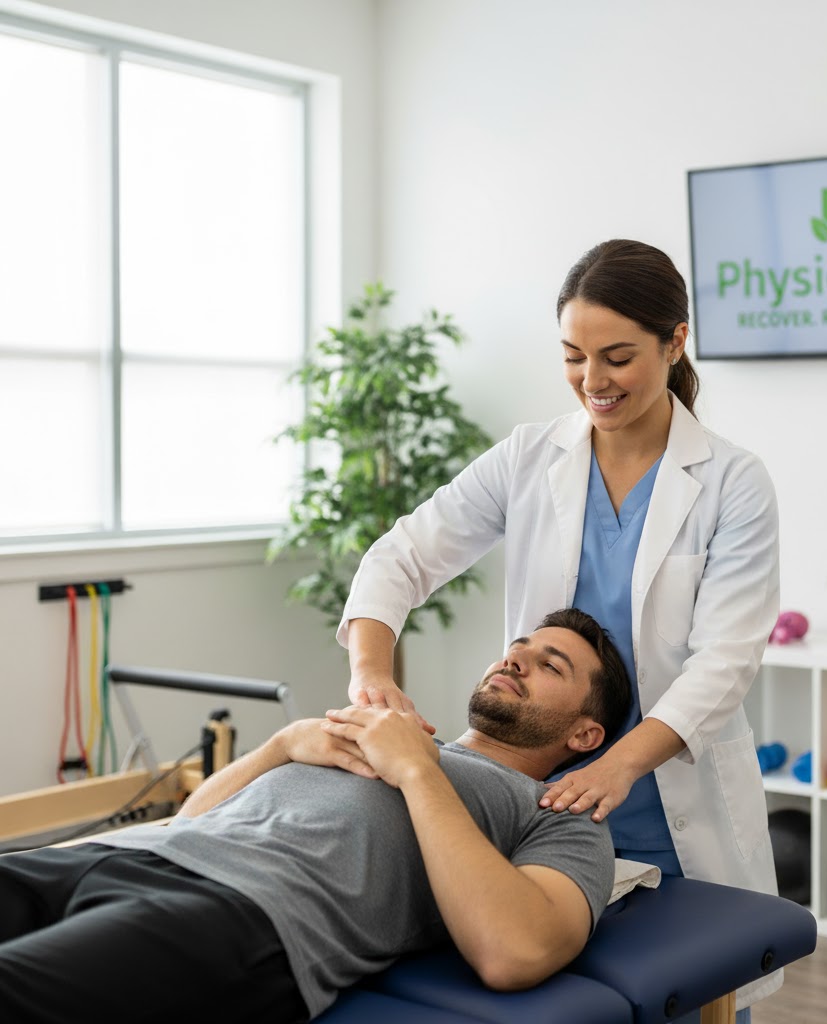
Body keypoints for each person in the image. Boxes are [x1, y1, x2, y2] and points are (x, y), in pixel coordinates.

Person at [337, 238, 781, 1017]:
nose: (592, 382)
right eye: (574, 356)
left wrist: (618, 768)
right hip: (535, 810)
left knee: (693, 997)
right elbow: (402, 555)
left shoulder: (732, 483)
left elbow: (726, 660)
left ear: (675, 342)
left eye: (616, 358)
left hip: (668, 806)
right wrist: (372, 673)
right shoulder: (531, 456)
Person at [0, 608, 631, 1024]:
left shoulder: (562, 816)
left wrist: (417, 770)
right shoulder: (390, 732)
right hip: (122, 859)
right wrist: (282, 745)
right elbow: (187, 822)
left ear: (584, 733)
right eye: (517, 649)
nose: (513, 660)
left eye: (550, 665)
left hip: (238, 915)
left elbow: (514, 953)